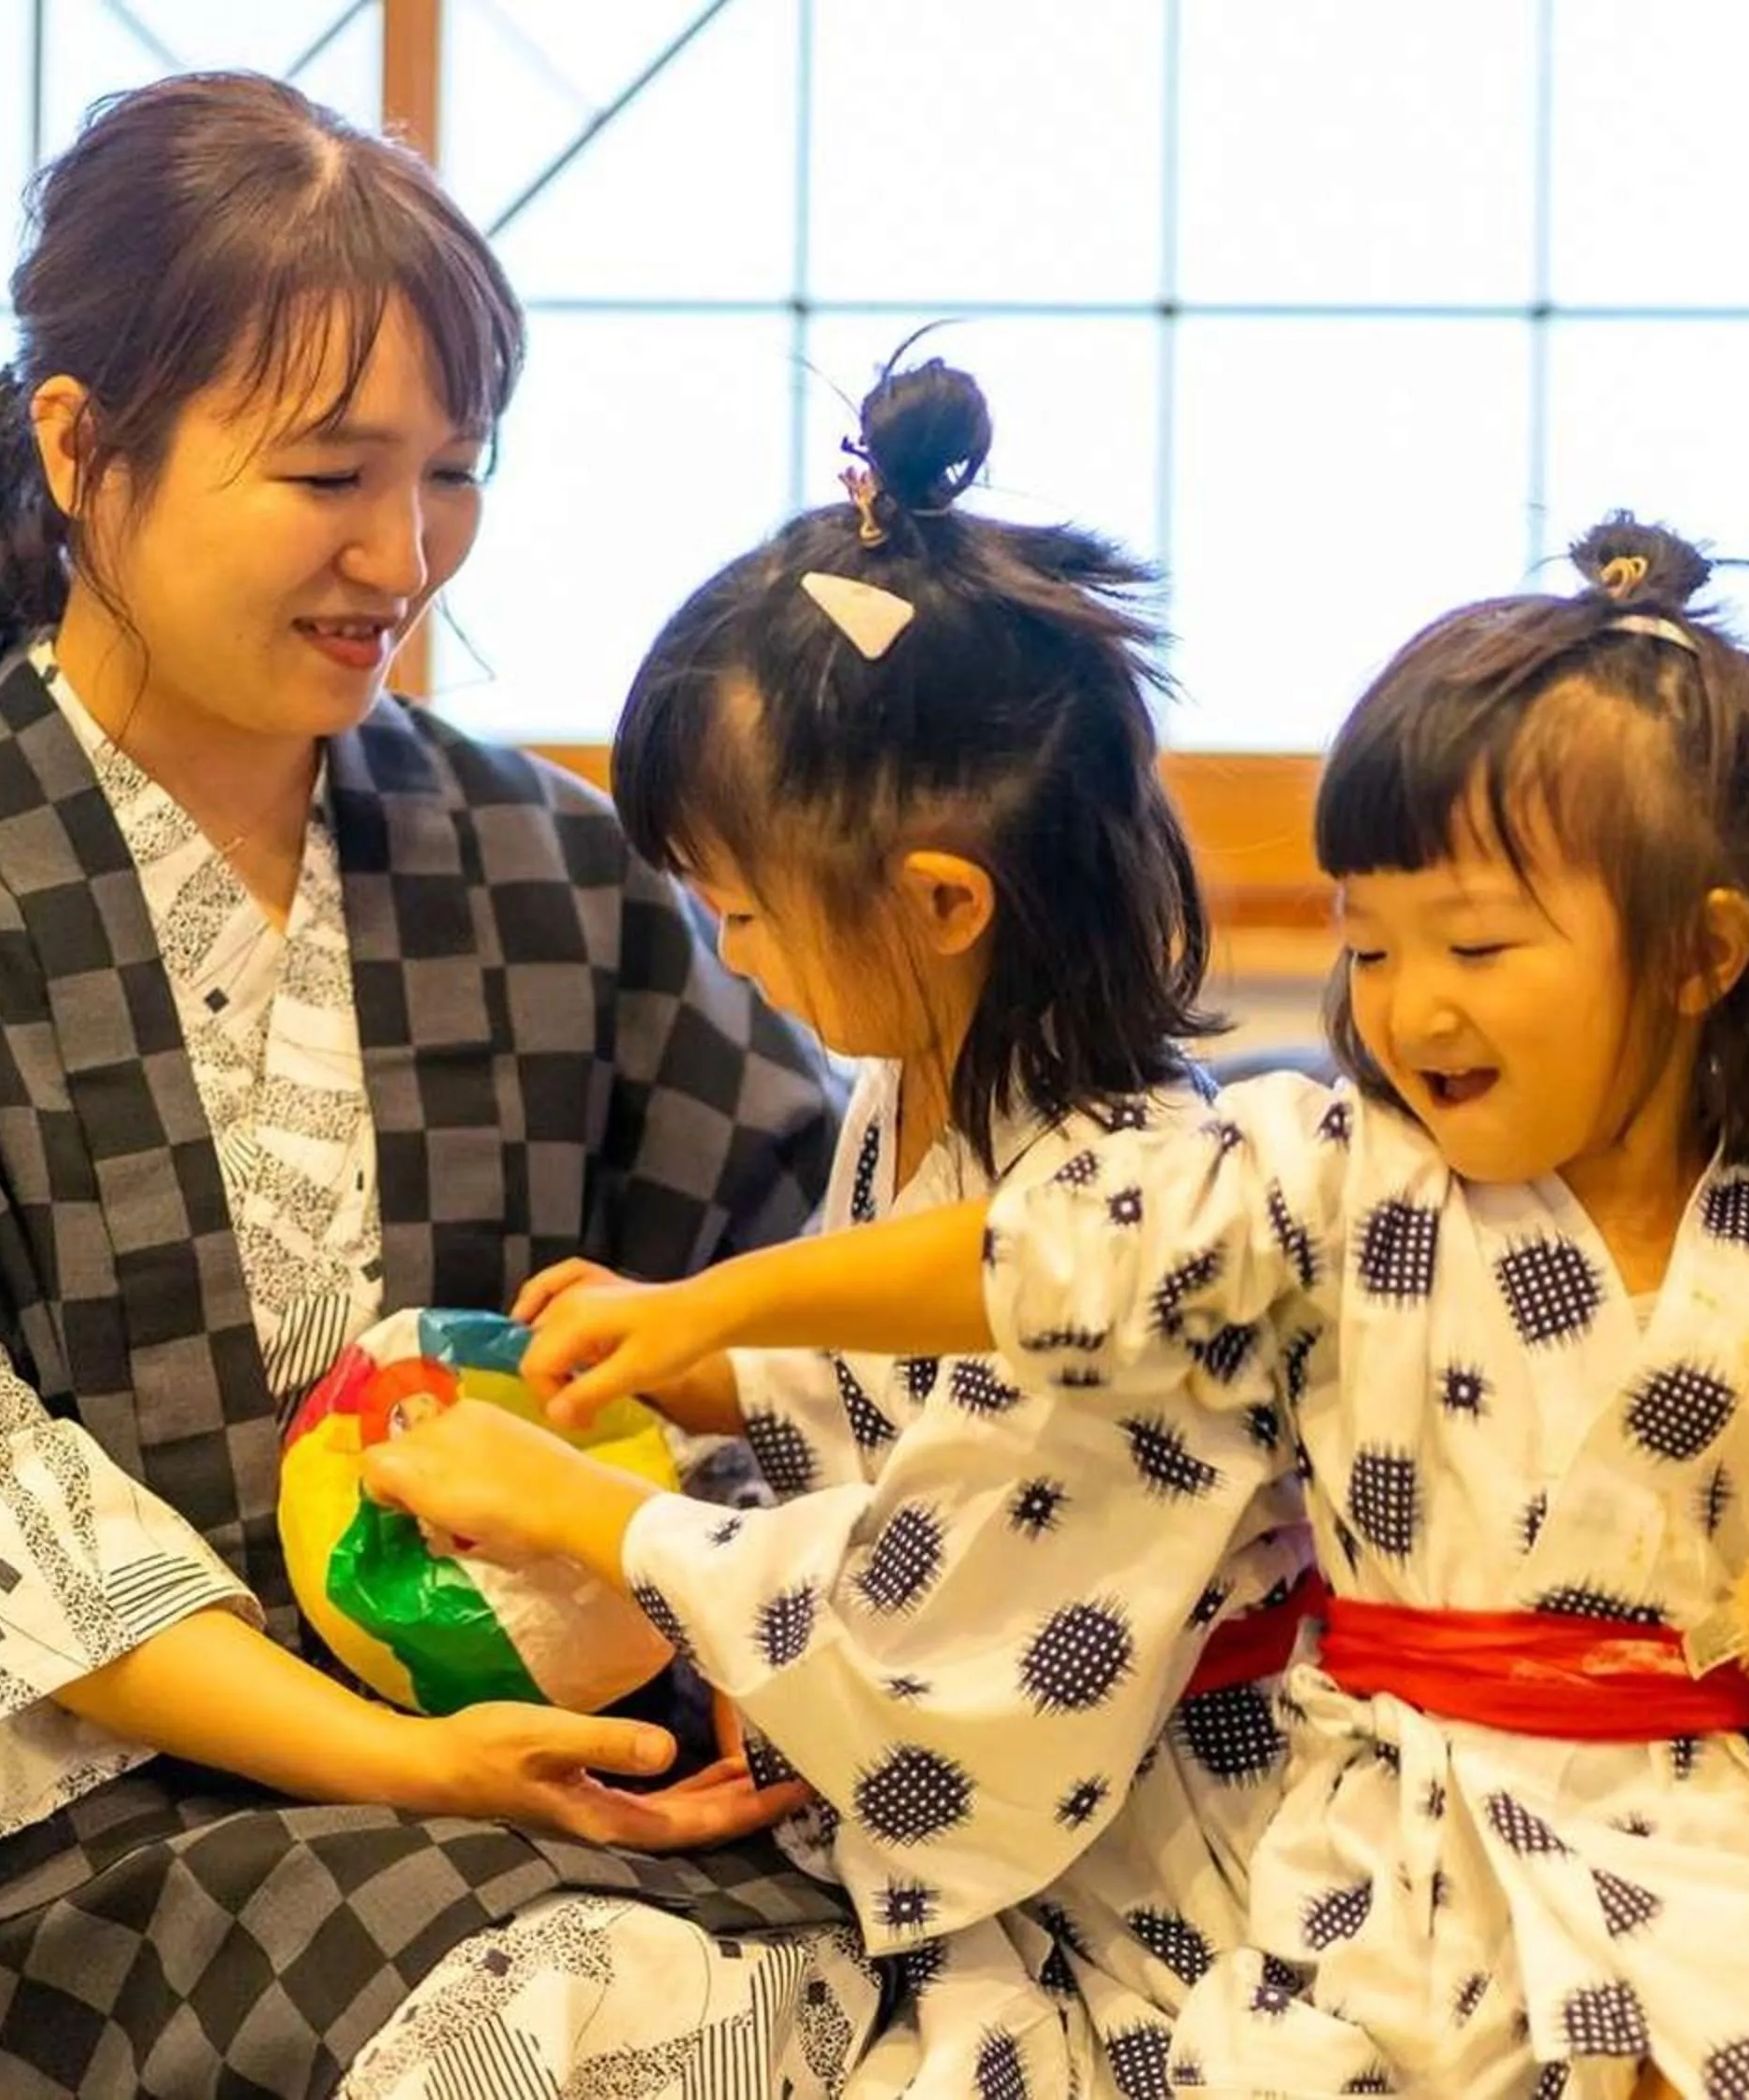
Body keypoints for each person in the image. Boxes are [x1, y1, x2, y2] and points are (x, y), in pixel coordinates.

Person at [448, 516, 1749, 2098]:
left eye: (1471, 944)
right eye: (1369, 947)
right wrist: (721, 1325)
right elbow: (1034, 1269)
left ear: (1700, 953)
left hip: (1713, 1845)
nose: (1408, 1008)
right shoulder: (1320, 1174)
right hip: (1387, 1848)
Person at [0, 72, 861, 2099]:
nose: (401, 558)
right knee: (593, 2034)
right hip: (101, 1820)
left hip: (595, 1759)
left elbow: (808, 1272)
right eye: (327, 474)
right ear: (84, 450)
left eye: (452, 476)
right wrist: (416, 1759)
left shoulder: (539, 864)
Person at [353, 351, 1317, 2096]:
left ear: (943, 901)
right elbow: (902, 1412)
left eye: (747, 915)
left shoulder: (1145, 1222)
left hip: (1165, 1893)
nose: (733, 956)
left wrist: (591, 1503)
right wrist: (720, 1368)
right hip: (976, 1828)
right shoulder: (917, 1086)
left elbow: (932, 1646)